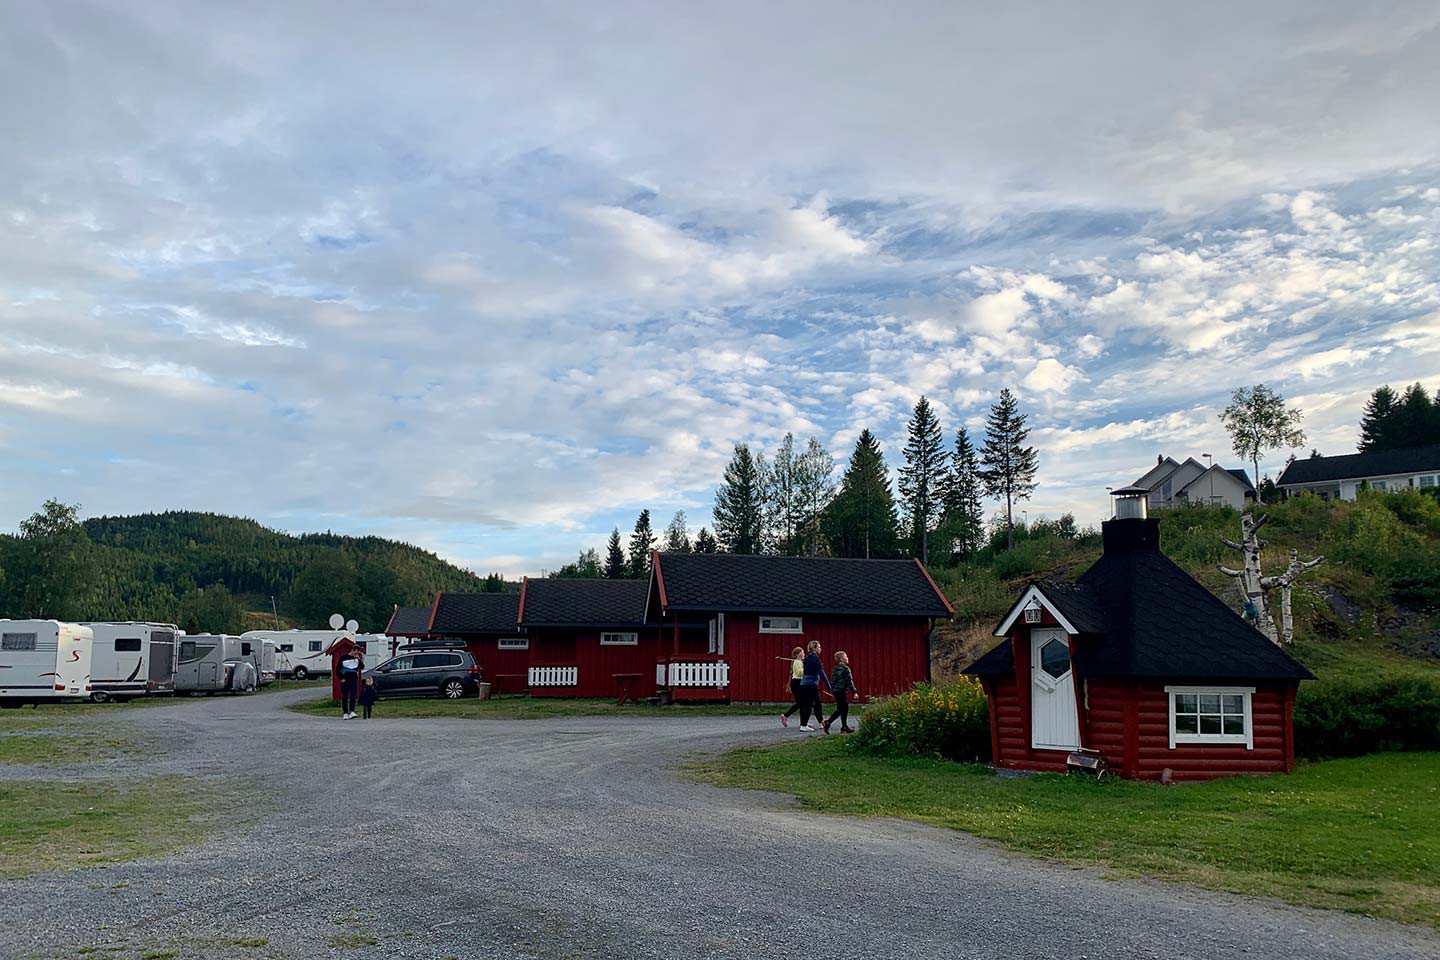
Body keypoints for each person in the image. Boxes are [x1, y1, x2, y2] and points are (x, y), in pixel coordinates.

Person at [798, 640, 831, 733]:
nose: (820, 649)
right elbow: (821, 673)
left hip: (804, 684)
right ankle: (803, 725)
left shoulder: (808, 658)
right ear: (815, 648)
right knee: (809, 705)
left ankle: (821, 722)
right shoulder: (815, 659)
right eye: (819, 647)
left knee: (817, 703)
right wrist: (829, 686)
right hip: (811, 684)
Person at [823, 651, 856, 734]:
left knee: (843, 708)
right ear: (842, 659)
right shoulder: (846, 669)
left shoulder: (835, 669)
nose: (847, 658)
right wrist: (854, 691)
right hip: (841, 691)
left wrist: (833, 690)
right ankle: (828, 722)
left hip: (836, 691)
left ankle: (844, 727)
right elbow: (849, 681)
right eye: (846, 657)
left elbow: (833, 681)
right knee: (842, 709)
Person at [778, 646, 805, 727]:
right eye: (802, 653)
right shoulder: (797, 662)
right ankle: (786, 716)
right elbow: (800, 673)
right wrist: (807, 669)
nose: (804, 654)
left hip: (798, 683)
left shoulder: (799, 662)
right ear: (797, 654)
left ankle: (803, 722)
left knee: (801, 703)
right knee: (801, 703)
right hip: (797, 683)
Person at [338, 646, 362, 719]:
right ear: (353, 650)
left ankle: (352, 711)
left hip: (354, 679)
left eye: (357, 653)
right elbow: (337, 669)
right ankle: (345, 712)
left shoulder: (357, 659)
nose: (356, 654)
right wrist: (341, 678)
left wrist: (359, 660)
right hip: (345, 679)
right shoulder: (343, 658)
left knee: (353, 696)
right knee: (345, 696)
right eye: (355, 652)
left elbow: (362, 667)